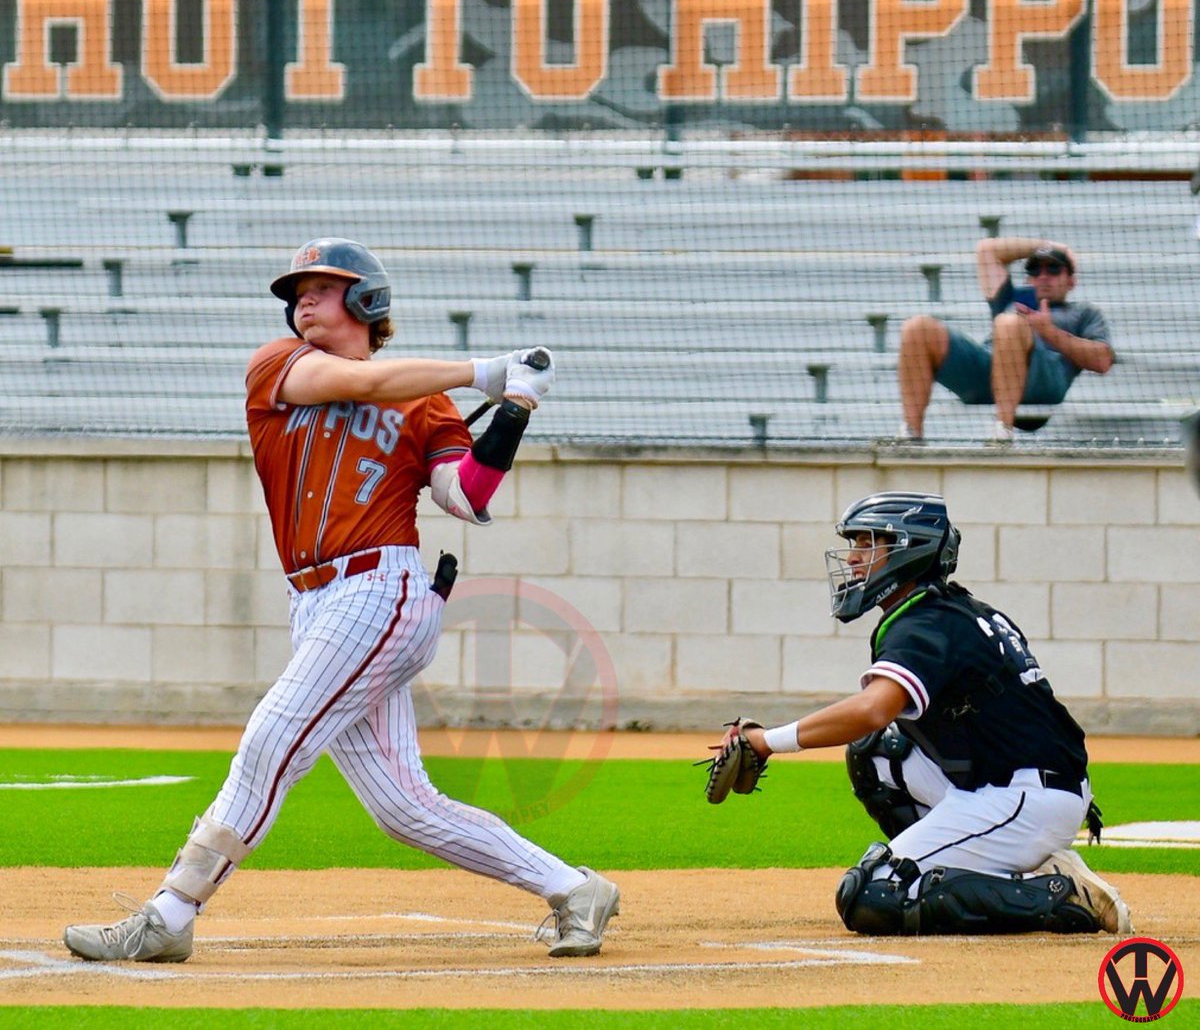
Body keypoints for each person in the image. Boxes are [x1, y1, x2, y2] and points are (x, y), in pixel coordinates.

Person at [63, 236, 619, 963]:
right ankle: (575, 889)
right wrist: (483, 371)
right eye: (298, 290)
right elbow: (354, 385)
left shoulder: (428, 401)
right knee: (404, 808)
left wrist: (513, 409)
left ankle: (169, 915)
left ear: (366, 301)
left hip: (379, 589)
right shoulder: (279, 363)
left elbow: (465, 497)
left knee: (271, 740)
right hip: (318, 602)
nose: (302, 299)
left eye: (321, 288)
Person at [714, 491, 1133, 937]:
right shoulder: (952, 609)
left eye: (868, 543)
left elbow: (874, 709)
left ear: (908, 550)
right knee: (877, 754)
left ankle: (1056, 894)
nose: (854, 559)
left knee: (873, 897)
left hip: (1026, 800)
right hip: (1017, 784)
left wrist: (767, 741)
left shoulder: (925, 622)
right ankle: (966, 865)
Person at [896, 238, 1114, 443]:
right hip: (992, 374)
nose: (1044, 275)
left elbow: (1102, 361)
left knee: (1009, 323)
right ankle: (912, 436)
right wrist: (1050, 246)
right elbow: (987, 250)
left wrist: (1049, 332)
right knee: (917, 328)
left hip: (1041, 382)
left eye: (1054, 269)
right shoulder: (1013, 299)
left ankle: (1002, 431)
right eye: (1035, 269)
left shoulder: (1084, 312)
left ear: (1071, 281)